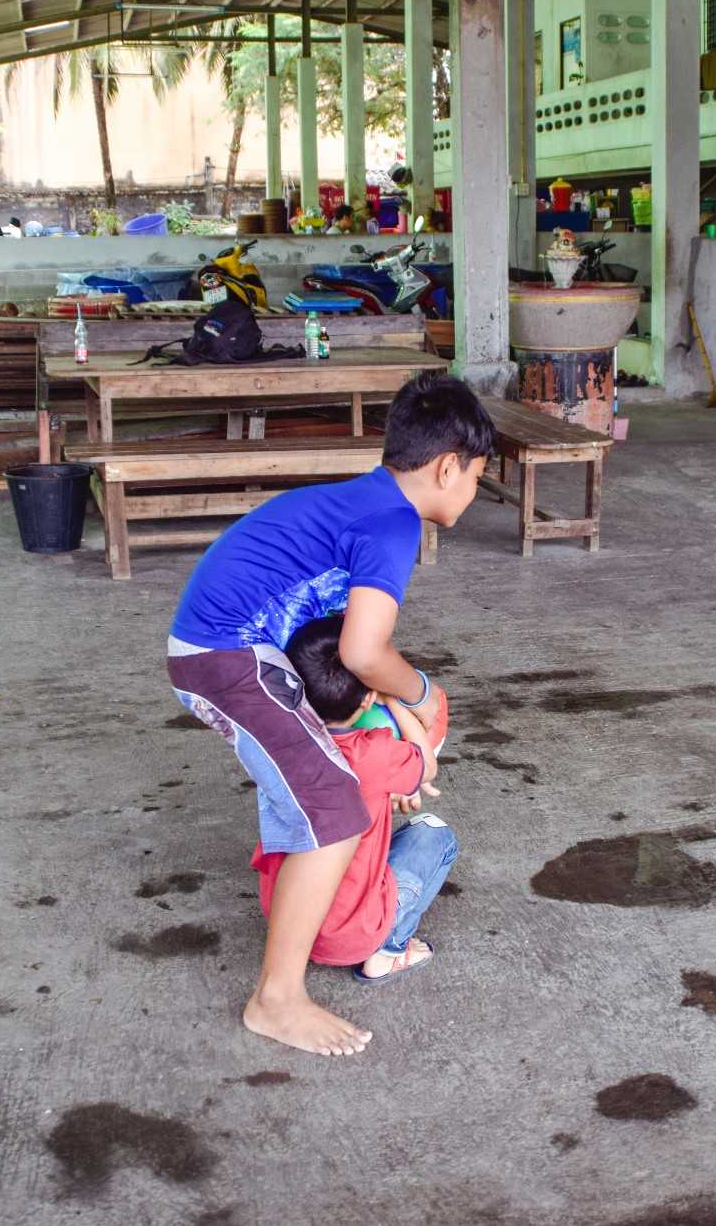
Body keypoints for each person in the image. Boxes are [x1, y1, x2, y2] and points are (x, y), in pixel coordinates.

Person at [167, 375, 495, 1055]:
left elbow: (356, 661)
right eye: (477, 477)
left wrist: (399, 710)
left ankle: (300, 921)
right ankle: (275, 1000)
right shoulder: (394, 523)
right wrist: (423, 695)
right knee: (334, 803)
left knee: (325, 787)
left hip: (242, 650)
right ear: (446, 466)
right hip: (224, 655)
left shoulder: (366, 501)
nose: (473, 491)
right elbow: (363, 650)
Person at [261, 615, 456, 985]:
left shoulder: (274, 743)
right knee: (434, 834)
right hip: (349, 939)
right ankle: (388, 952)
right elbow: (427, 766)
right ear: (367, 695)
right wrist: (391, 698)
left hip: (287, 928)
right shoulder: (373, 752)